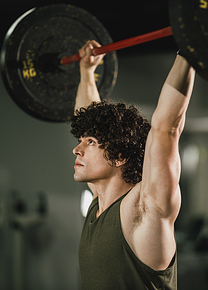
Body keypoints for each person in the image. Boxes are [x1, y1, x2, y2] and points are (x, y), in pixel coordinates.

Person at [70, 40, 195, 289]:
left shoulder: (144, 210)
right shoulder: (100, 203)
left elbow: (165, 128)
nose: (77, 149)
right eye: (81, 141)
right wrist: (87, 73)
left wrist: (190, 50)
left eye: (91, 142)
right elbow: (87, 116)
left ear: (119, 156)